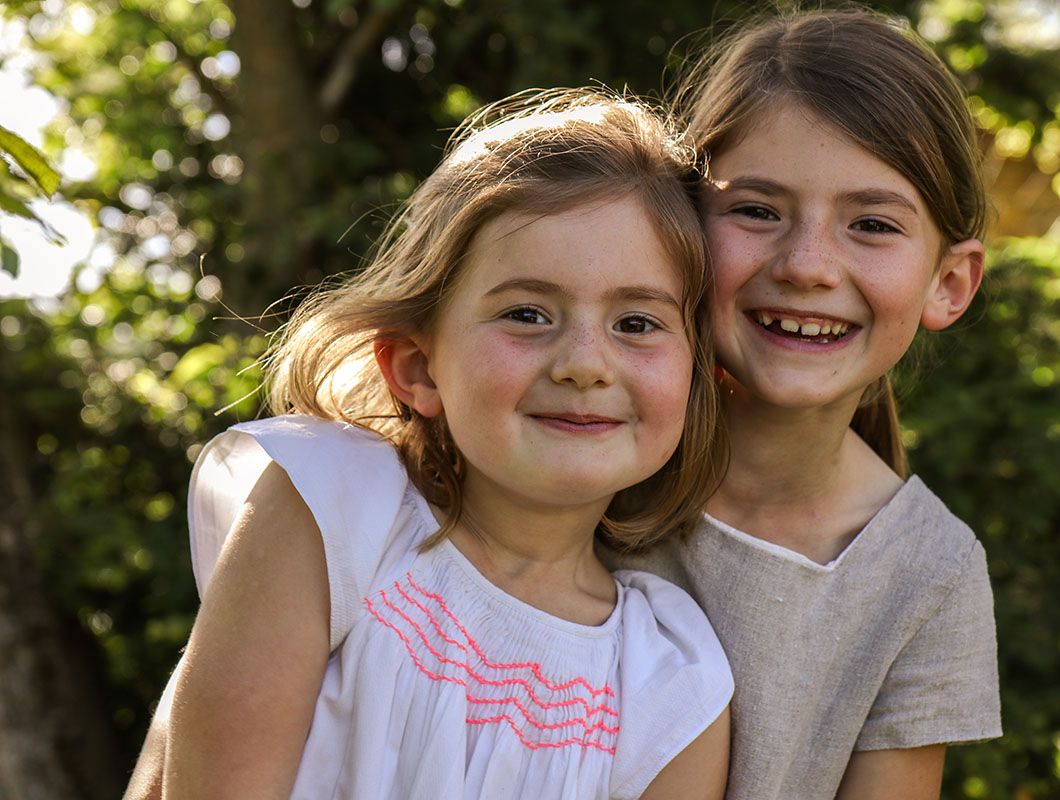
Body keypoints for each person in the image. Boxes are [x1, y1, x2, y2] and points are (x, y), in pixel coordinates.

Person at [123, 88, 733, 800]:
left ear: (696, 377)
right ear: (418, 367)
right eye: (527, 313)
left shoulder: (668, 683)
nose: (585, 363)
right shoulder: (332, 507)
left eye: (637, 323)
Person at [606, 7, 1002, 799]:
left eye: (872, 224)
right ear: (682, 225)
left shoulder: (929, 574)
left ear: (948, 282)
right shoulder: (588, 446)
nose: (809, 265)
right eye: (756, 210)